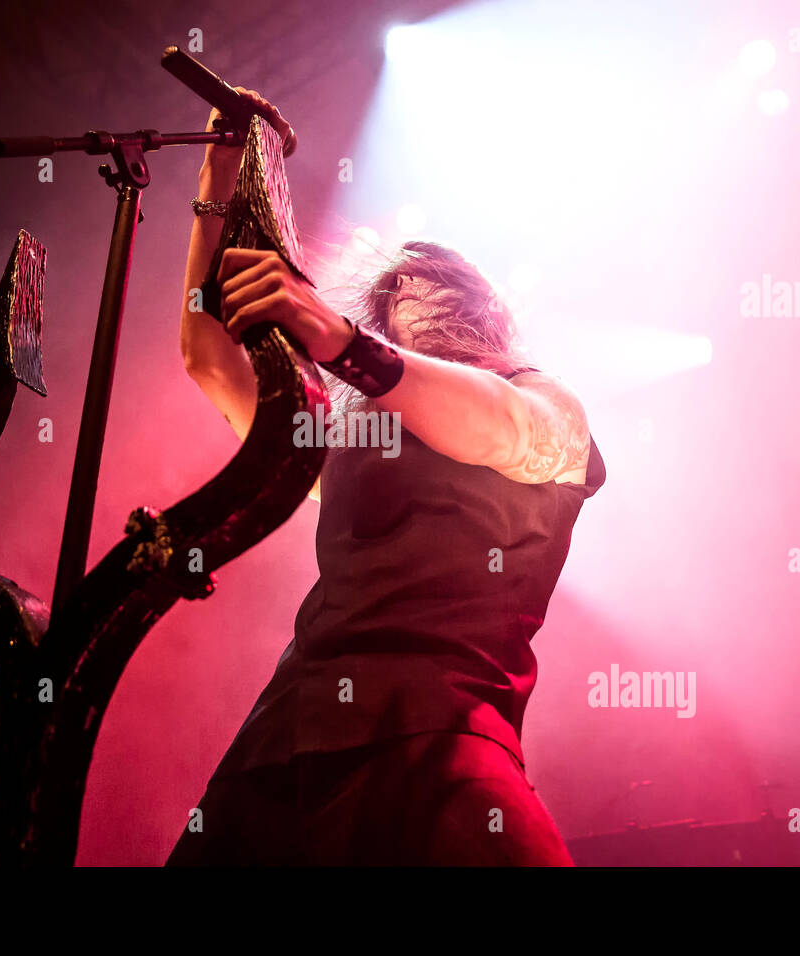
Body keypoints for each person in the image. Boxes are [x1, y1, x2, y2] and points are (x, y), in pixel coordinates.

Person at [168, 88, 605, 865]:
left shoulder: (544, 403)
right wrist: (221, 169)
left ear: (487, 308)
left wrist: (344, 343)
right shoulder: (358, 441)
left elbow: (493, 422)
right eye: (397, 283)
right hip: (283, 742)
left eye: (434, 273)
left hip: (438, 739)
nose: (411, 284)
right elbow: (208, 356)